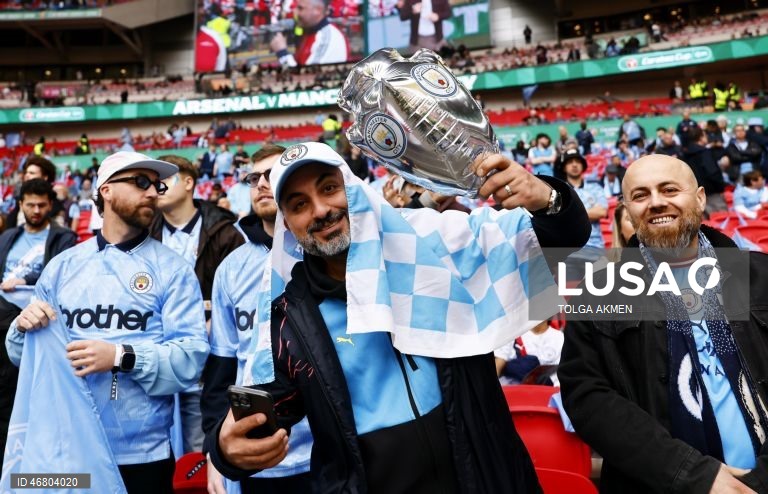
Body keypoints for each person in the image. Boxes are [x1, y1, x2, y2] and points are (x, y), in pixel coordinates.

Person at [205, 142, 592, 492]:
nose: (321, 211)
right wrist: (225, 450)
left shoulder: (437, 243)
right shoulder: (290, 318)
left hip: (484, 475)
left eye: (328, 188)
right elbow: (265, 415)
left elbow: (560, 238)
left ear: (355, 189)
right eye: (299, 203)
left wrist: (546, 197)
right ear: (287, 223)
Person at [559, 154, 768, 493]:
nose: (656, 203)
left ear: (700, 198)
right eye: (640, 195)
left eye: (669, 189)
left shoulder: (759, 274)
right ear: (627, 209)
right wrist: (690, 474)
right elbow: (588, 397)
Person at [5, 151, 210, 493]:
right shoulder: (62, 267)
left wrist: (120, 356)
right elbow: (25, 357)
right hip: (67, 449)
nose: (152, 193)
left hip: (141, 456)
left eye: (156, 185)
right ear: (106, 190)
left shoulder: (173, 270)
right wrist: (20, 327)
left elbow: (190, 359)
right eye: (141, 182)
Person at [202, 144, 313, 493]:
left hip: (324, 450)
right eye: (254, 178)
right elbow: (222, 367)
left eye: (272, 175)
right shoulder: (230, 268)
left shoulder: (323, 253)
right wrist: (214, 449)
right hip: (255, 456)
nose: (262, 184)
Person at [149, 155, 244, 453]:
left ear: (189, 183)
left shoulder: (225, 232)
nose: (157, 186)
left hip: (210, 359)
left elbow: (239, 297)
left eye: (166, 178)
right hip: (156, 358)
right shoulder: (144, 233)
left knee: (198, 450)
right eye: (154, 180)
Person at [0, 179, 76, 473]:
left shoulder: (62, 237)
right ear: (20, 205)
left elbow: (61, 278)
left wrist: (26, 282)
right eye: (30, 204)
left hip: (39, 326)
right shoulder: (8, 237)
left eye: (41, 204)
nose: (35, 210)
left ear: (50, 204)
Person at [270, 0, 350, 66]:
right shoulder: (309, 32)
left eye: (300, 8)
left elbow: (308, 77)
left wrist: (282, 53)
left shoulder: (327, 39)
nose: (295, 13)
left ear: (318, 10)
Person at [494, 319, 564, 386]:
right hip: (512, 389)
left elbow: (561, 371)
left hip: (545, 391)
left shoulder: (560, 337)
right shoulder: (513, 334)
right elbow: (499, 362)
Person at [683, 126, 727, 215]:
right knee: (722, 221)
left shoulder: (685, 154)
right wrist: (721, 187)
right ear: (700, 137)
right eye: (705, 135)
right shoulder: (704, 152)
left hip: (697, 194)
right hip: (712, 193)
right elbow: (712, 172)